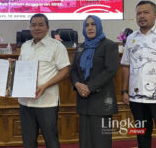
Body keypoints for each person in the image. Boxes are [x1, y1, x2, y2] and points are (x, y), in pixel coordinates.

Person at [18, 13, 70, 148]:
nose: (37, 28)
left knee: (51, 141)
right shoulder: (25, 46)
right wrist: (14, 66)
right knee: (28, 142)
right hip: (25, 102)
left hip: (46, 103)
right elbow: (22, 70)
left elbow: (65, 71)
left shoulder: (57, 46)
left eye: (41, 25)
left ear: (47, 28)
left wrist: (45, 85)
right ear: (29, 28)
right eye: (33, 25)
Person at [70, 15, 119, 148]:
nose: (90, 27)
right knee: (85, 141)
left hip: (102, 102)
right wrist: (77, 84)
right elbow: (73, 70)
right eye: (87, 25)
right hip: (84, 101)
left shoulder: (110, 45)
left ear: (99, 26)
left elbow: (110, 70)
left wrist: (89, 87)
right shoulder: (81, 47)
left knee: (101, 142)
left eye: (93, 24)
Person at [121, 0, 156, 147]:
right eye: (139, 13)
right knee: (142, 135)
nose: (141, 16)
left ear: (155, 15)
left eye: (146, 12)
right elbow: (126, 65)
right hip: (137, 98)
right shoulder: (131, 38)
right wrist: (124, 90)